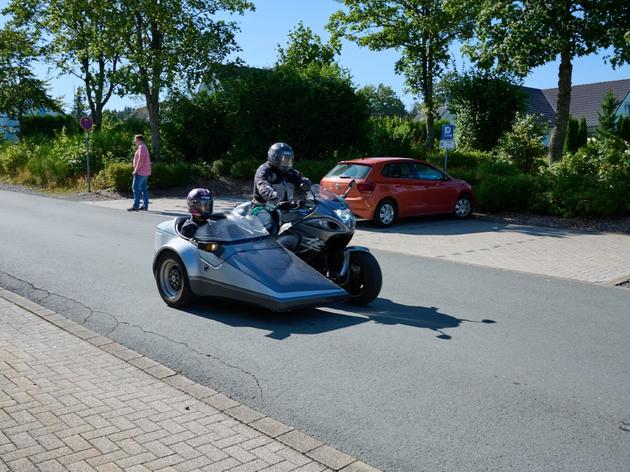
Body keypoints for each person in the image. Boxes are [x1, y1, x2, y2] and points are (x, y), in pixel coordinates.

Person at [251, 142, 311, 232]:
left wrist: (305, 183)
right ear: (274, 158)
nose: (286, 163)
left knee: (304, 221)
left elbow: (302, 178)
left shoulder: (291, 172)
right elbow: (263, 187)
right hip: (262, 207)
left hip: (285, 207)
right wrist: (276, 200)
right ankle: (269, 245)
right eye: (283, 159)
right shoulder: (264, 171)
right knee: (270, 226)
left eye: (288, 160)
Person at [128, 134, 152, 211]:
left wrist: (136, 170)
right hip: (145, 172)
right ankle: (145, 206)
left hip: (140, 172)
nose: (134, 141)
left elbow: (140, 160)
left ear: (139, 140)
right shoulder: (143, 147)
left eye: (135, 140)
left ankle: (136, 206)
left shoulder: (142, 147)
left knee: (135, 188)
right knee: (144, 189)